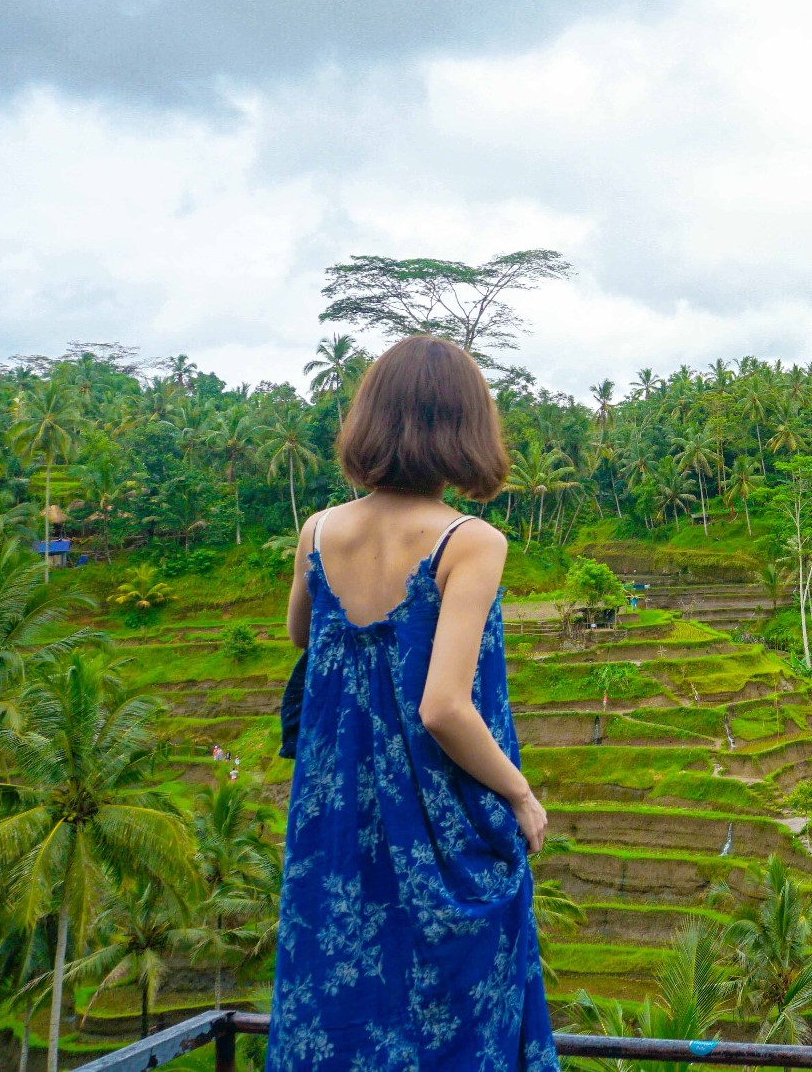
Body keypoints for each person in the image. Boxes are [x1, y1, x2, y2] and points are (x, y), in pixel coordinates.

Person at [268, 335, 556, 1072]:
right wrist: (521, 796)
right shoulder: (470, 541)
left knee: (337, 1011)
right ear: (464, 427)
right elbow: (444, 706)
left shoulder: (318, 531)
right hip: (434, 826)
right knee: (455, 1031)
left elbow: (302, 631)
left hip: (333, 833)